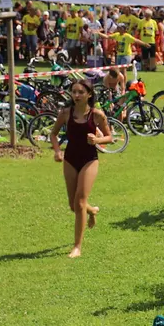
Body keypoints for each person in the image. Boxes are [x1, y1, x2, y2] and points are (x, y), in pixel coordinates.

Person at [51, 80, 112, 258]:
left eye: (80, 92)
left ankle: (77, 247)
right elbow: (53, 134)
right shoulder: (65, 113)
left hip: (89, 160)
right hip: (70, 159)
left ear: (89, 95)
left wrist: (98, 141)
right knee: (73, 205)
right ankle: (92, 210)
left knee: (79, 202)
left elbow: (110, 137)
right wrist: (57, 151)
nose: (76, 95)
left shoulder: (97, 115)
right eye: (74, 92)